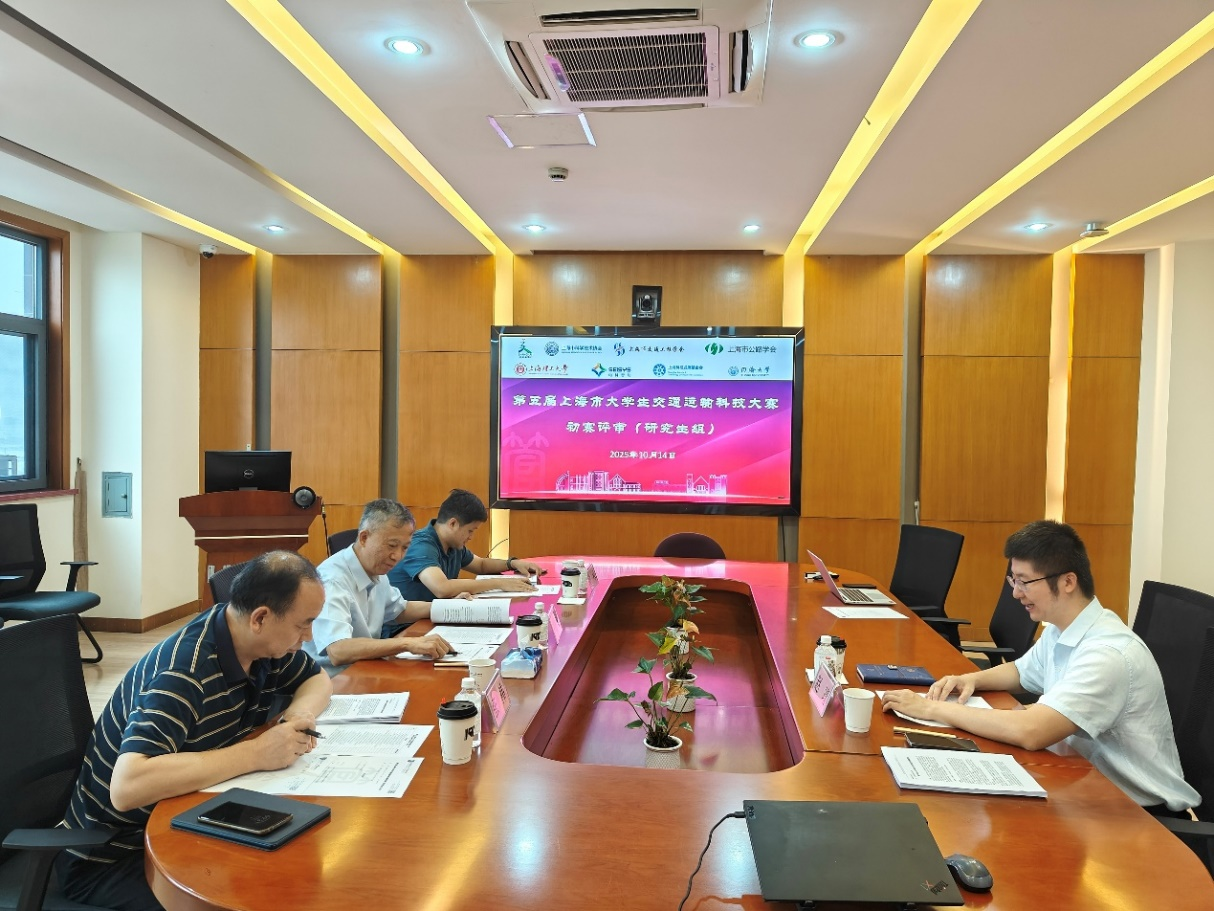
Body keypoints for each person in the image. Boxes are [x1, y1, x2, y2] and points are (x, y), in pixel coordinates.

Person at [56, 551, 334, 911]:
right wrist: (256, 753)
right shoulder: (184, 672)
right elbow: (127, 787)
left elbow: (317, 678)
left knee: (297, 871)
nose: (308, 636)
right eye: (303, 624)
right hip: (114, 855)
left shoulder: (260, 644)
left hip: (190, 817)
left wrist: (296, 716)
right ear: (261, 618)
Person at [881, 520, 1199, 816]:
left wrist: (932, 710)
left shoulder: (1108, 655)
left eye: (1025, 582)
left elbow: (1032, 731)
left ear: (1068, 581)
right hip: (1082, 779)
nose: (1015, 593)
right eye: (1013, 580)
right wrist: (969, 680)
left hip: (1134, 814)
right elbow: (1022, 672)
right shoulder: (1064, 627)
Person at [306, 499, 460, 665]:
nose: (397, 556)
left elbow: (400, 610)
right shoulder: (332, 580)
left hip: (365, 665)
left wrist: (452, 608)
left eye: (405, 547)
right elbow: (338, 650)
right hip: (334, 675)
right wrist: (407, 644)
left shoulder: (376, 569)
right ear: (364, 538)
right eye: (392, 545)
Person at [388, 488, 544, 601]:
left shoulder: (453, 544)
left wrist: (513, 563)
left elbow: (481, 565)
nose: (471, 537)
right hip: (406, 628)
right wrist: (499, 583)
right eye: (470, 530)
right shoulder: (421, 545)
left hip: (434, 618)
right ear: (453, 524)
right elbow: (442, 588)